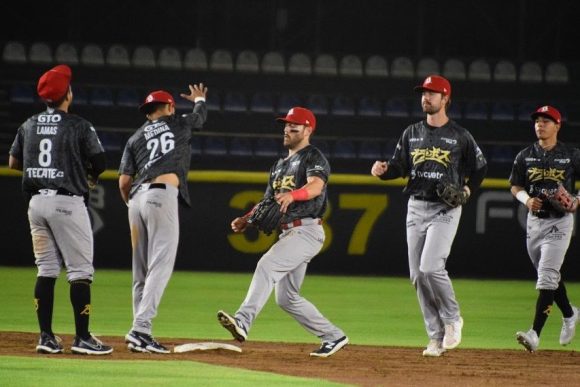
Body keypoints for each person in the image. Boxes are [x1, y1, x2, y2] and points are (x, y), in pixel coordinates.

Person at [217, 107, 349, 358]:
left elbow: (316, 187)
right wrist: (247, 219)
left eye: (294, 125)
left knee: (267, 265)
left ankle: (243, 321)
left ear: (308, 129)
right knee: (286, 298)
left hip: (306, 230)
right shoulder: (279, 166)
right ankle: (333, 336)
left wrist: (293, 194)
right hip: (289, 233)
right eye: (286, 125)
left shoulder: (313, 156)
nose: (287, 129)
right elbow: (267, 202)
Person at [371, 75, 487, 357]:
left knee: (431, 267)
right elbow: (399, 167)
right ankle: (435, 337)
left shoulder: (460, 136)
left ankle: (453, 318)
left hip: (445, 208)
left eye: (433, 93)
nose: (426, 97)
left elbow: (480, 168)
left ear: (446, 98)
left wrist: (468, 191)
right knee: (417, 276)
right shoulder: (411, 132)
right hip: (416, 206)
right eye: (424, 92)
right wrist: (383, 172)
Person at [8, 64, 112, 355]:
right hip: (67, 201)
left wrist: (42, 172)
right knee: (80, 272)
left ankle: (46, 337)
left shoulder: (28, 124)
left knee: (47, 270)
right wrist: (87, 175)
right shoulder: (78, 124)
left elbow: (14, 163)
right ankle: (82, 338)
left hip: (36, 203)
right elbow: (100, 161)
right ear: (67, 93)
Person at [118, 83, 208, 354]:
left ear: (147, 113)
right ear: (170, 108)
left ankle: (139, 332)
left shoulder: (134, 137)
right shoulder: (177, 123)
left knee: (140, 271)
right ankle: (141, 330)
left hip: (136, 200)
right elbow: (200, 118)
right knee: (161, 265)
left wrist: (132, 202)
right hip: (161, 195)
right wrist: (200, 99)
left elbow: (123, 181)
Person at [510, 105, 580, 352]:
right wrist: (526, 200)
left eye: (547, 121)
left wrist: (578, 199)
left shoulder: (571, 155)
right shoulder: (524, 155)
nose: (540, 124)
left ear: (557, 126)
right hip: (535, 221)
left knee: (546, 277)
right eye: (538, 120)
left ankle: (534, 335)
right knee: (549, 276)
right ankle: (570, 314)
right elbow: (515, 185)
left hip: (560, 222)